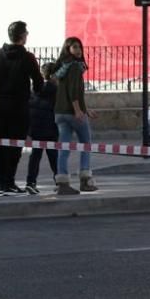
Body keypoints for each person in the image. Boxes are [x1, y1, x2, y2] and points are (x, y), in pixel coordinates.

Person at [0, 21, 44, 197]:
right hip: (20, 106)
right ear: (22, 36)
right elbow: (38, 84)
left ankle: (4, 182)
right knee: (16, 144)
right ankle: (10, 180)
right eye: (26, 33)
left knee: (3, 143)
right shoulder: (28, 58)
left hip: (1, 106)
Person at [53, 36, 98, 195]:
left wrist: (86, 109)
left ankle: (63, 183)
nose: (78, 50)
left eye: (79, 47)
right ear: (68, 49)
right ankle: (85, 179)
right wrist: (79, 110)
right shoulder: (74, 67)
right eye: (74, 47)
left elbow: (71, 92)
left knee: (63, 148)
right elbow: (74, 92)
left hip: (60, 113)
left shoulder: (63, 67)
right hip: (72, 113)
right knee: (86, 143)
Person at [24, 62, 59, 195]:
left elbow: (30, 106)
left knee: (35, 156)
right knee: (54, 156)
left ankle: (30, 182)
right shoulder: (56, 90)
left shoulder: (35, 88)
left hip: (35, 128)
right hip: (50, 127)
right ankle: (60, 181)